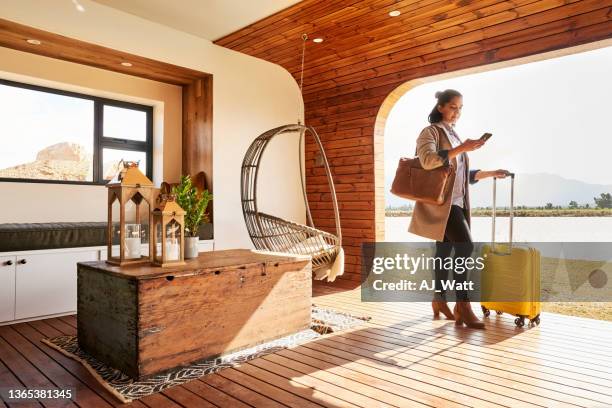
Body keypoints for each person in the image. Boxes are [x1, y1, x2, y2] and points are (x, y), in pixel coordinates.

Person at [408, 89, 509, 329]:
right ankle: (462, 304)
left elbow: (463, 175)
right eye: (453, 107)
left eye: (460, 108)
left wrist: (491, 173)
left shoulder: (454, 135)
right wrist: (462, 148)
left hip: (459, 203)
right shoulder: (430, 131)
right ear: (441, 107)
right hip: (444, 204)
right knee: (466, 246)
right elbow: (428, 160)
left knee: (444, 252)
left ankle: (439, 299)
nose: (457, 112)